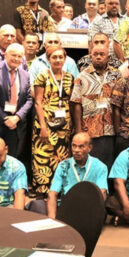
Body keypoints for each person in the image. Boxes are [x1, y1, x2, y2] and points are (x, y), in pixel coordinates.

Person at [28, 133, 108, 217]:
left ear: (89, 148)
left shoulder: (100, 167)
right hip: (67, 207)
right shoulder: (63, 166)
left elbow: (102, 193)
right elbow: (52, 194)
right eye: (74, 146)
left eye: (81, 147)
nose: (76, 150)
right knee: (37, 205)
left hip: (89, 208)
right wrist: (52, 220)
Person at [70, 45, 121, 169]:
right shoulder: (82, 77)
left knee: (108, 165)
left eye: (102, 54)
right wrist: (78, 130)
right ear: (90, 56)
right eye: (95, 54)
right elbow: (76, 103)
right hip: (89, 129)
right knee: (91, 165)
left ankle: (104, 189)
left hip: (110, 129)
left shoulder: (116, 75)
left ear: (108, 57)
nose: (98, 57)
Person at [32, 46, 74, 196]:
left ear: (65, 59)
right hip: (45, 122)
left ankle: (58, 189)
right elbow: (38, 102)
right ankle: (42, 190)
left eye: (60, 57)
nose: (57, 60)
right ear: (49, 59)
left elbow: (71, 101)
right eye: (54, 57)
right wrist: (42, 126)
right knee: (43, 155)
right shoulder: (42, 76)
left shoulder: (69, 77)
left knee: (61, 157)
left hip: (64, 124)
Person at [0, 43, 33, 159]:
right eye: (13, 55)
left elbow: (29, 100)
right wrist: (5, 119)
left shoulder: (25, 75)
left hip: (15, 127)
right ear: (5, 55)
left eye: (20, 56)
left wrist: (17, 117)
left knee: (12, 161)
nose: (16, 59)